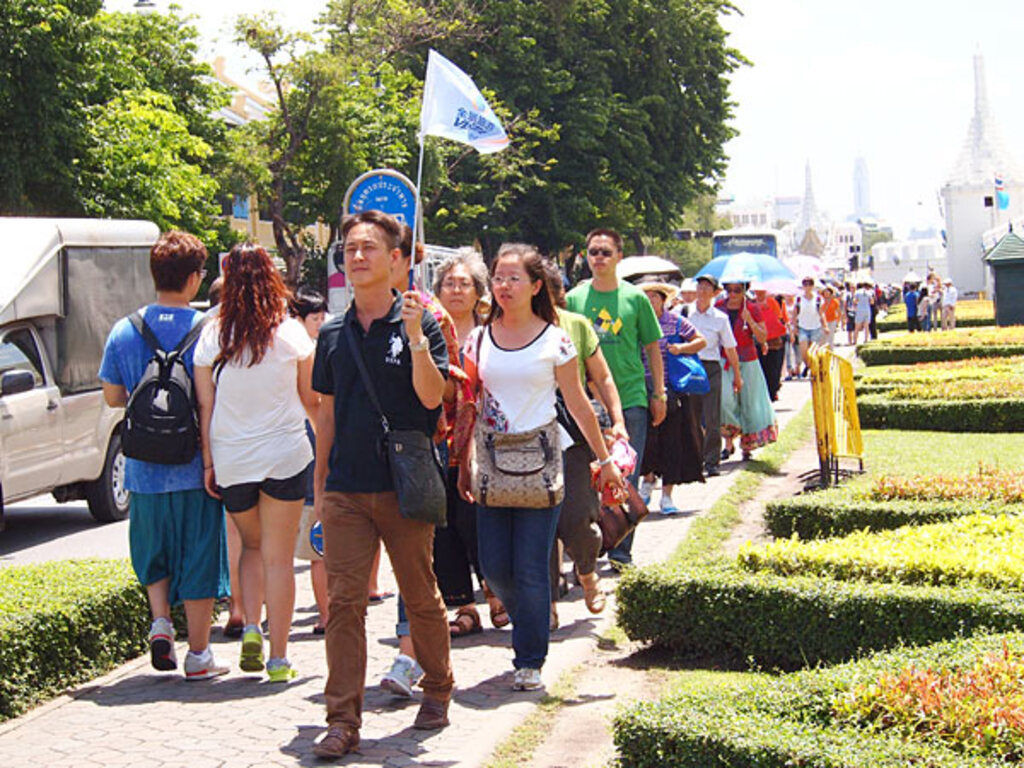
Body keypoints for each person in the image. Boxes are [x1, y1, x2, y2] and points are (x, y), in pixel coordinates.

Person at [311, 210, 454, 759]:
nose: (357, 256)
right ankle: (342, 719)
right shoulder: (332, 333)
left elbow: (431, 398)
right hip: (346, 488)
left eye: (368, 247)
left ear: (396, 259)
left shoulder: (421, 322)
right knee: (344, 604)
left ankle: (437, 687)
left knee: (419, 594)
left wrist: (415, 338)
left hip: (404, 484)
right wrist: (320, 487)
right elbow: (326, 415)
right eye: (349, 248)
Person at [458, 243, 624, 692]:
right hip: (491, 465)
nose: (503, 286)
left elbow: (579, 403)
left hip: (541, 465)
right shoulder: (478, 339)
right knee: (495, 568)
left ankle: (529, 658)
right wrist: (463, 458)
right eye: (498, 277)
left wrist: (605, 459)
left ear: (535, 286)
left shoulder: (557, 340)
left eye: (514, 278)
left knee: (532, 566)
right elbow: (469, 403)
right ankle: (531, 616)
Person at [99, 230, 230, 680]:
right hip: (196, 466)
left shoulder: (124, 330)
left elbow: (112, 396)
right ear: (194, 279)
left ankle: (160, 623)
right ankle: (199, 655)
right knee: (199, 555)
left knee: (152, 550)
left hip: (143, 469)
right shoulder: (209, 330)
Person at [194, 243, 318, 683]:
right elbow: (311, 401)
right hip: (286, 455)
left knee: (250, 546)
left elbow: (205, 407)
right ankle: (279, 658)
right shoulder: (291, 334)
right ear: (273, 278)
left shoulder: (212, 336)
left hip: (232, 459)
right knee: (279, 558)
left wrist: (208, 463)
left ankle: (250, 627)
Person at [565, 228, 665, 569]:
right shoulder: (575, 299)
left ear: (619, 257)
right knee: (587, 479)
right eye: (593, 251)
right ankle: (590, 550)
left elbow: (652, 347)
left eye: (606, 252)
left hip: (632, 398)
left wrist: (659, 393)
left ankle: (621, 553)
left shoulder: (636, 299)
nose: (599, 258)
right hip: (586, 404)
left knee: (625, 475)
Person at [543, 262, 626, 621]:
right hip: (526, 438)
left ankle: (587, 570)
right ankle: (546, 603)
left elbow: (602, 377)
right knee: (539, 523)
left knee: (577, 515)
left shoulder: (575, 325)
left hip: (573, 432)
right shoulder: (507, 328)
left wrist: (617, 420)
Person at [637, 277, 706, 513]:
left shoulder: (676, 322)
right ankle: (647, 480)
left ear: (663, 299)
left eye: (654, 296)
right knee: (646, 441)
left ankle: (667, 496)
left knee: (672, 442)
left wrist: (681, 348)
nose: (650, 300)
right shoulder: (636, 323)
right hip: (642, 389)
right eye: (646, 297)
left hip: (673, 389)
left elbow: (700, 340)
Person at [290, 286, 330, 635]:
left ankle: (329, 612)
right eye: (314, 318)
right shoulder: (306, 351)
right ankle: (328, 614)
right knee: (319, 539)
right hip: (311, 453)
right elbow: (314, 403)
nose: (320, 322)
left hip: (304, 451)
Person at [717, 281, 777, 461]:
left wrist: (749, 319)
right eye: (728, 289)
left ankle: (747, 445)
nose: (732, 294)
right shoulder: (719, 307)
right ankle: (729, 440)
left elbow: (763, 336)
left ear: (744, 290)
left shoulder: (752, 308)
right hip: (725, 358)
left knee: (750, 402)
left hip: (747, 359)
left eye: (737, 290)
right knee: (725, 400)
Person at [752, 288, 787, 401]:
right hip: (758, 340)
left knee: (773, 367)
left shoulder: (772, 302)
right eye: (757, 291)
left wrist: (767, 310)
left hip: (773, 341)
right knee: (762, 367)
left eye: (762, 291)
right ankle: (764, 392)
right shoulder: (751, 303)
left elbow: (779, 318)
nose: (759, 293)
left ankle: (772, 391)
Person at [792, 278, 827, 373]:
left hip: (815, 326)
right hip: (802, 327)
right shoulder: (798, 299)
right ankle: (808, 365)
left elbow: (821, 313)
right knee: (804, 350)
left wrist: (825, 326)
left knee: (813, 350)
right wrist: (794, 326)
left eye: (809, 285)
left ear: (812, 286)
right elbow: (795, 313)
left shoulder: (818, 299)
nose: (807, 287)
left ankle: (813, 368)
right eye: (805, 285)